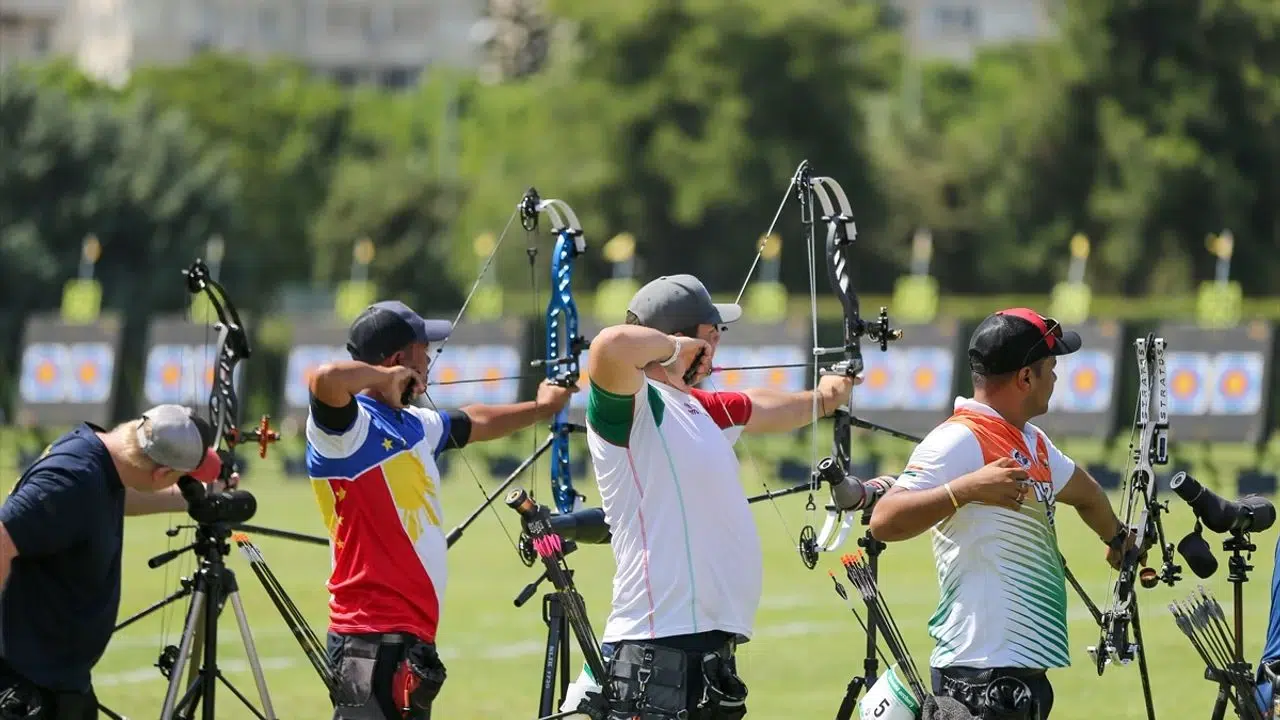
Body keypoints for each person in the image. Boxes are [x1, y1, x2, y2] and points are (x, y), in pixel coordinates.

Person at [583, 274, 884, 719]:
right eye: (713, 335)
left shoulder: (698, 409)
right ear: (691, 338)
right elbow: (609, 346)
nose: (718, 345)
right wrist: (673, 348)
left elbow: (758, 404)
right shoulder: (637, 408)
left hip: (708, 654)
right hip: (654, 649)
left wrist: (824, 398)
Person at [306, 300, 574, 720]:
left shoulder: (414, 424)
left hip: (409, 639)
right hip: (369, 638)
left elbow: (475, 421)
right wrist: (384, 378)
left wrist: (543, 409)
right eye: (422, 349)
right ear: (399, 360)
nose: (429, 357)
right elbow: (326, 380)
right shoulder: (346, 431)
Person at [869, 308, 1136, 720]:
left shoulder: (1033, 441)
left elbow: (1087, 495)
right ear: (1025, 377)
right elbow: (884, 519)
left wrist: (1117, 539)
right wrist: (965, 490)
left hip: (1020, 676)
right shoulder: (957, 439)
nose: (1057, 377)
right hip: (977, 675)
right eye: (1051, 366)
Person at [0, 404, 230, 720]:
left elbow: (115, 495)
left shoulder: (104, 461)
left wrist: (197, 498)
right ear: (162, 473)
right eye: (182, 479)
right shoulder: (70, 479)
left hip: (62, 681)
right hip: (26, 687)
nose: (184, 484)